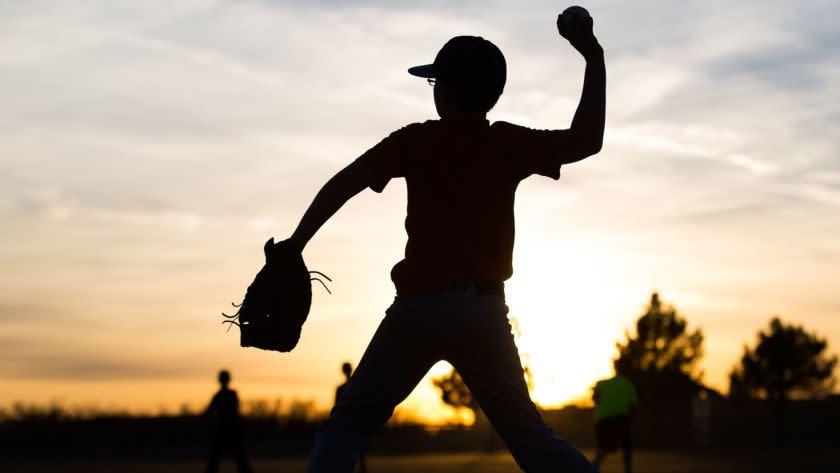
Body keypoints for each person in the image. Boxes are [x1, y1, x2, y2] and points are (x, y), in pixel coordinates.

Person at [286, 12, 606, 473]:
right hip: (482, 312)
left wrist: (297, 243)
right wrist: (592, 55)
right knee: (531, 438)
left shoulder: (415, 140)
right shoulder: (505, 143)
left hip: (417, 309)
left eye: (436, 80)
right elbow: (586, 140)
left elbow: (344, 183)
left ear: (446, 89)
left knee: (348, 427)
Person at [204, 370, 254, 473]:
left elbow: (209, 412)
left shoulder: (220, 395)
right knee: (238, 459)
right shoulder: (231, 394)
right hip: (231, 430)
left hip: (225, 430)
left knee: (217, 459)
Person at [590, 373, 637, 473]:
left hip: (601, 420)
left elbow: (595, 398)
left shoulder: (601, 383)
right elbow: (632, 405)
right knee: (626, 448)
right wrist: (631, 420)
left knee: (603, 448)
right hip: (620, 419)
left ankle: (591, 468)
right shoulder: (628, 384)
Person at [335, 362, 368, 473]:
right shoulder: (358, 386)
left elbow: (336, 407)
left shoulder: (341, 389)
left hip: (348, 421)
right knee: (358, 448)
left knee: (351, 448)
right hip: (355, 421)